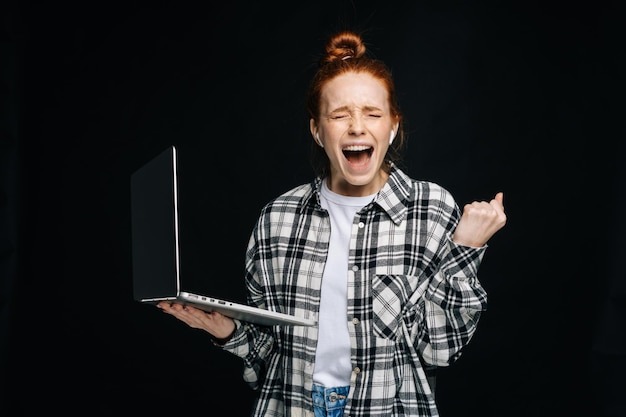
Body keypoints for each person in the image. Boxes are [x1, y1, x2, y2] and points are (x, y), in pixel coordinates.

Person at [157, 29, 507, 417]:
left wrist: (466, 250)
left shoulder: (432, 209)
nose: (357, 126)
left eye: (372, 114)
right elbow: (267, 359)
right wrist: (225, 331)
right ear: (317, 130)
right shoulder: (278, 218)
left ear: (392, 126)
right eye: (340, 115)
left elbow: (438, 351)